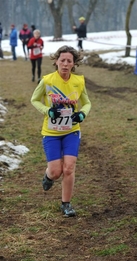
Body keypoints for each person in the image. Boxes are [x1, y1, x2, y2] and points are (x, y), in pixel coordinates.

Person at [31, 45, 91, 217]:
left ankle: (66, 204)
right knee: (56, 171)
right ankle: (48, 176)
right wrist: (47, 111)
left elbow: (87, 103)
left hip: (72, 130)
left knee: (69, 168)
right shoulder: (48, 81)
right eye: (62, 60)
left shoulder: (79, 82)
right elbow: (34, 100)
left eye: (69, 61)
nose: (65, 64)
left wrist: (82, 114)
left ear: (74, 64)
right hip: (51, 132)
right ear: (56, 61)